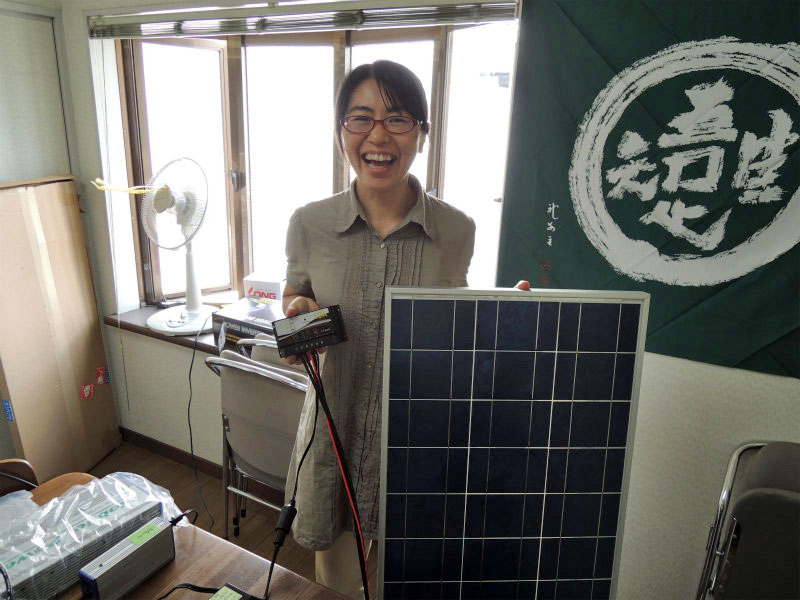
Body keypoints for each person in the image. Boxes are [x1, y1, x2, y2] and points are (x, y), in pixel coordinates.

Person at [280, 60, 475, 598]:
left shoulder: (457, 230)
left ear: (422, 134)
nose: (378, 136)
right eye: (360, 118)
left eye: (398, 119)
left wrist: (515, 321)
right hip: (334, 439)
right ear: (341, 131)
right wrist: (297, 311)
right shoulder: (309, 223)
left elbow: (458, 335)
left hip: (415, 448)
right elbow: (294, 298)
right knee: (338, 587)